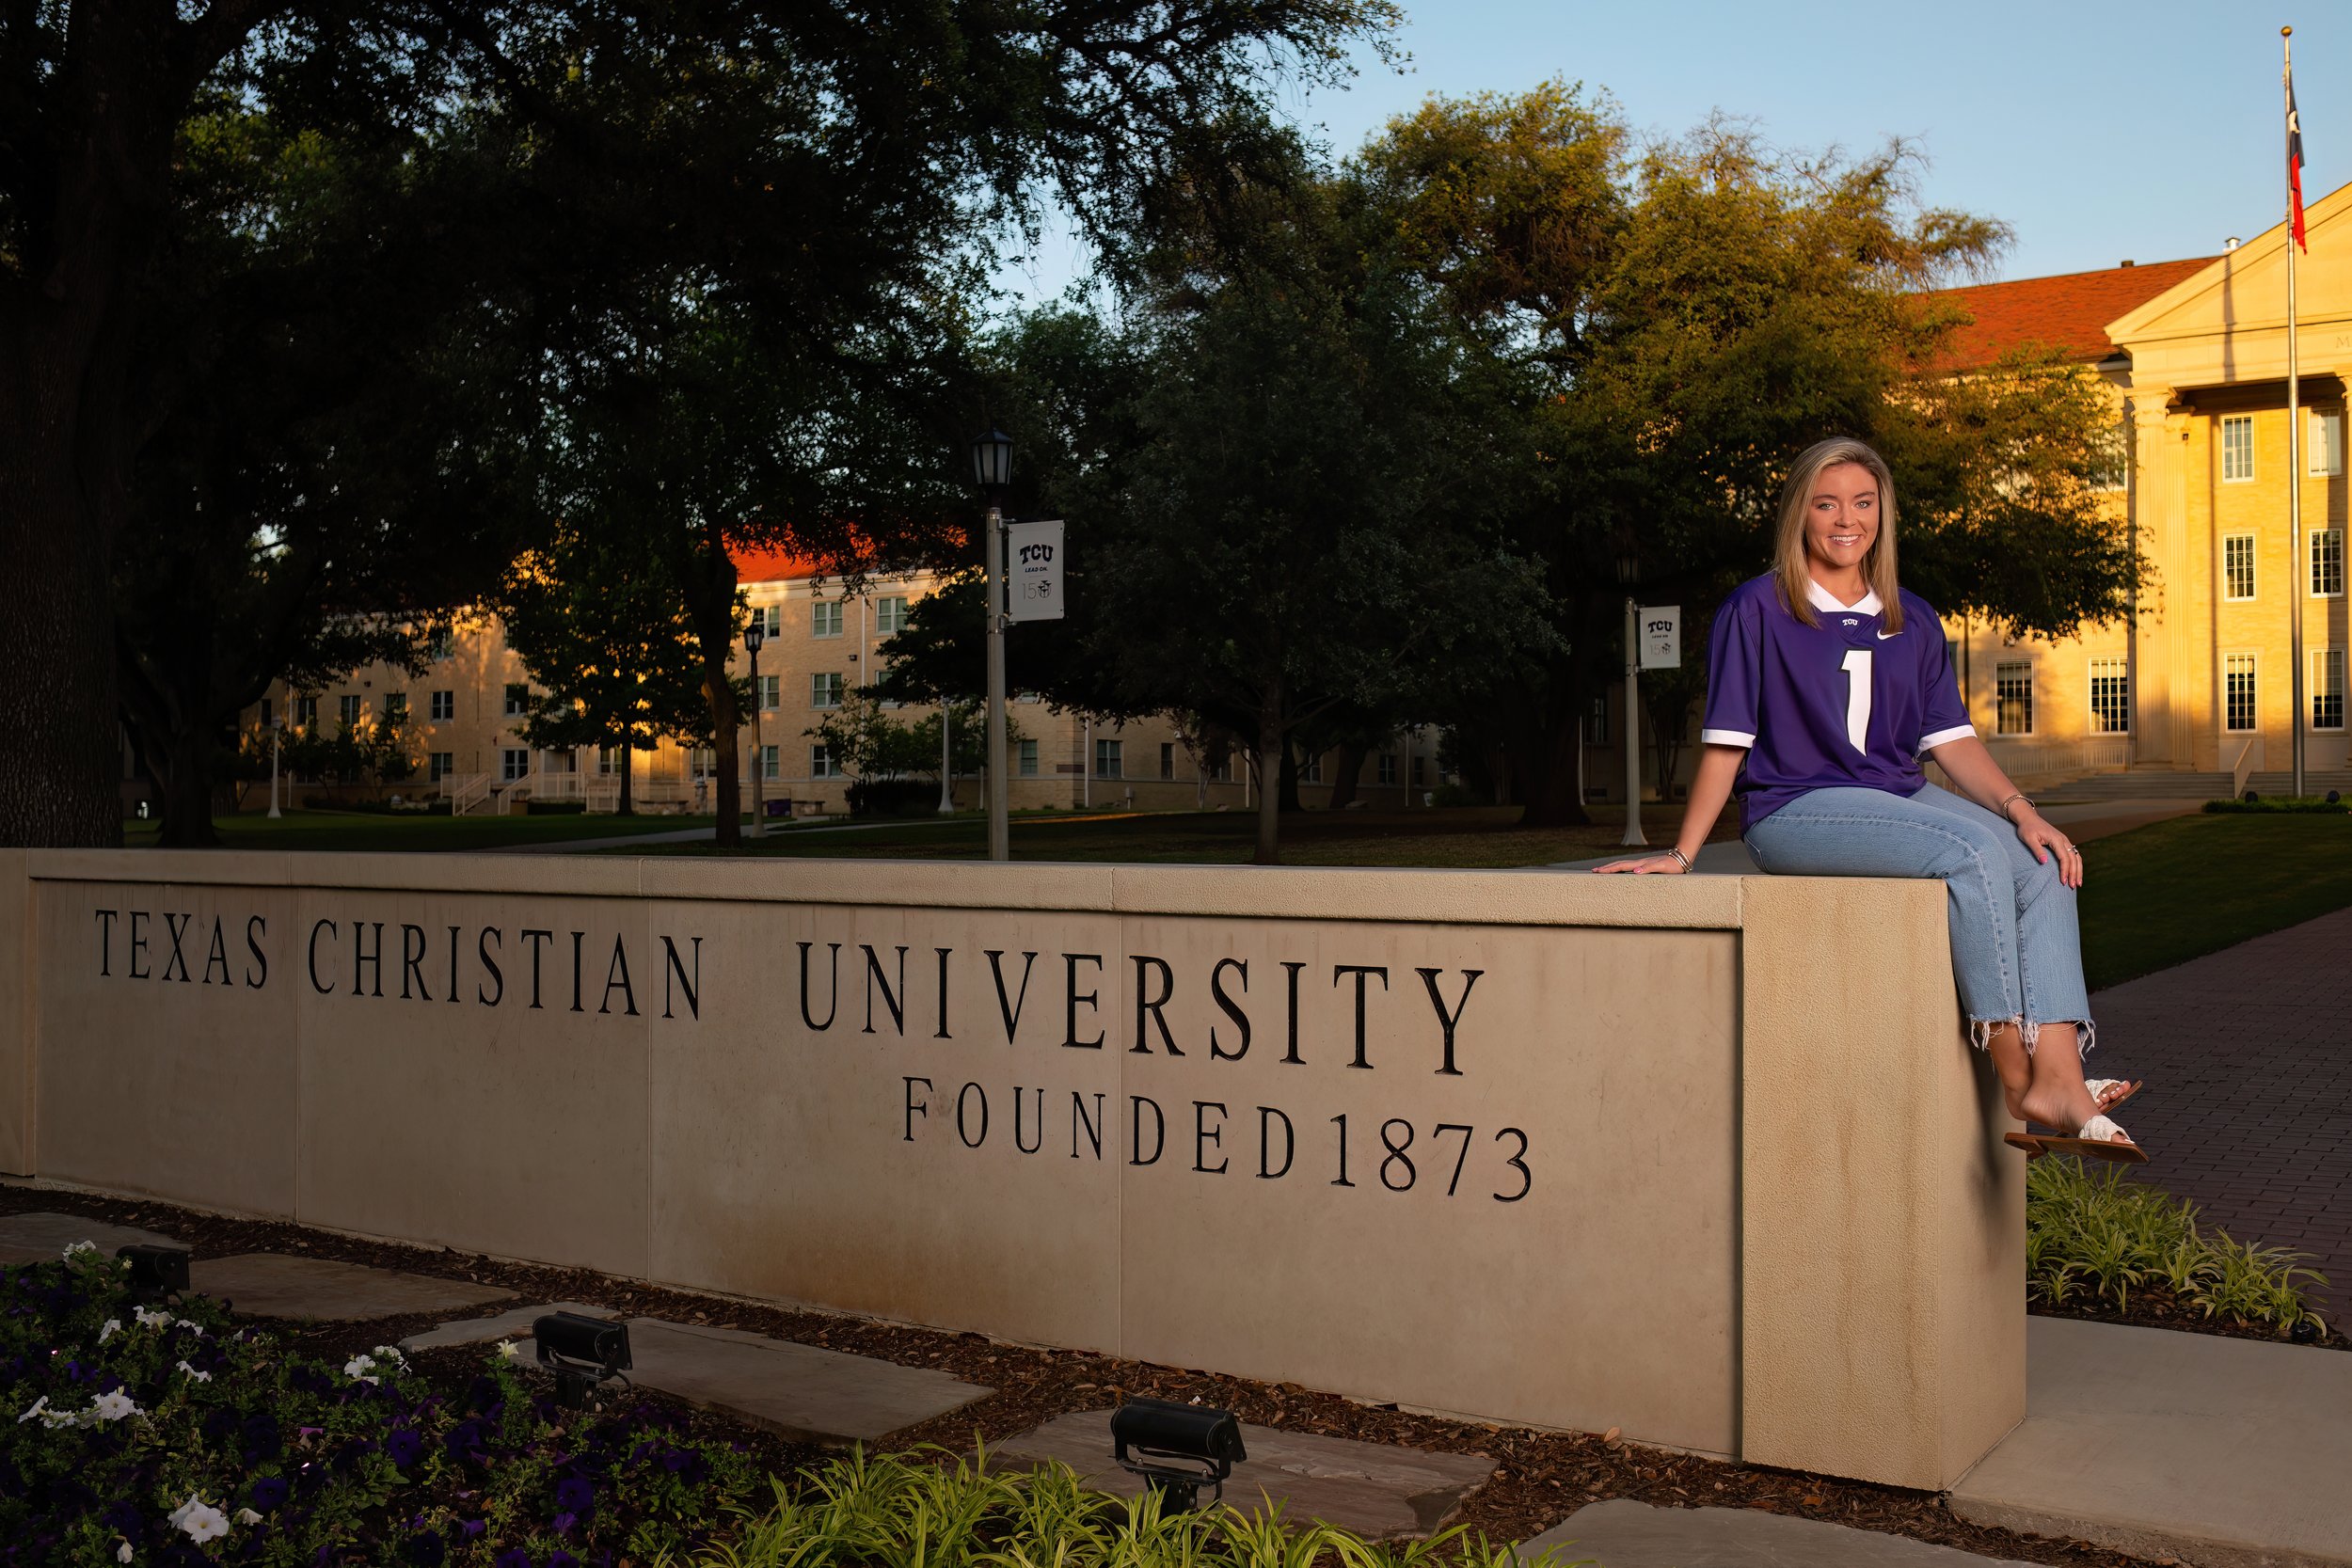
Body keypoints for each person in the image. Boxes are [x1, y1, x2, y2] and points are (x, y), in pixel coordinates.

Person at [1597, 436, 2145, 1163]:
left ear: (1882, 513)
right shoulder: (1756, 609)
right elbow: (1727, 743)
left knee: (2040, 860)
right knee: (1971, 850)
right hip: (1795, 809)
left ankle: (2063, 1080)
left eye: (1863, 502)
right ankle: (2017, 1073)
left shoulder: (1911, 617)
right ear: (1800, 513)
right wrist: (1682, 852)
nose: (1845, 520)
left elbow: (1951, 743)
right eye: (1826, 504)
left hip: (1897, 794)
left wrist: (2023, 808)